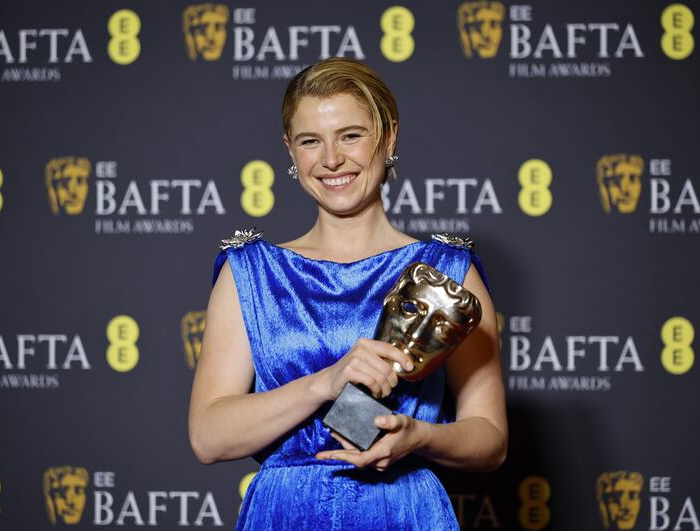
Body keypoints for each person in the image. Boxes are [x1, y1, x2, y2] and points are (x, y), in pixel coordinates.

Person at [188, 57, 507, 530]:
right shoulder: (249, 274)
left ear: (389, 137)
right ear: (290, 152)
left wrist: (418, 436)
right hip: (284, 515)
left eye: (351, 135)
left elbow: (491, 440)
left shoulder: (447, 274)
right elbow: (208, 438)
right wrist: (324, 383)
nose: (331, 159)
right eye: (310, 141)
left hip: (402, 510)